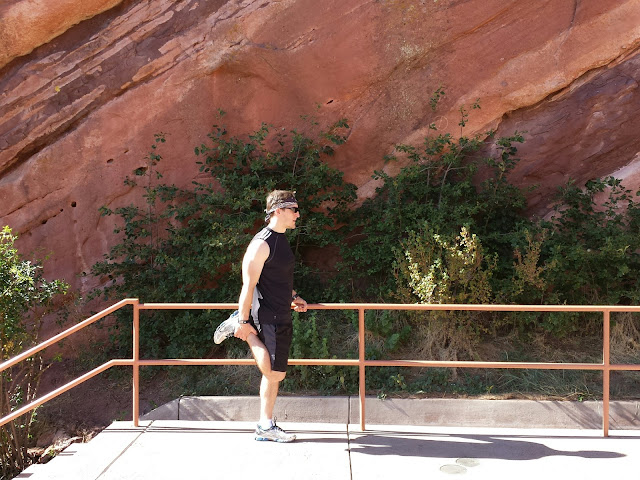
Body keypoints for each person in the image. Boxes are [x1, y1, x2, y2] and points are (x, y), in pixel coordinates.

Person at [214, 190, 308, 442]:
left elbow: (277, 278)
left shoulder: (281, 239)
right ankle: (240, 329)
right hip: (267, 314)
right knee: (273, 372)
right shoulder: (261, 244)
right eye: (294, 210)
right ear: (278, 211)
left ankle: (265, 425)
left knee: (276, 372)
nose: (298, 214)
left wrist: (292, 296)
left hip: (281, 311)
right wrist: (244, 321)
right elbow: (249, 285)